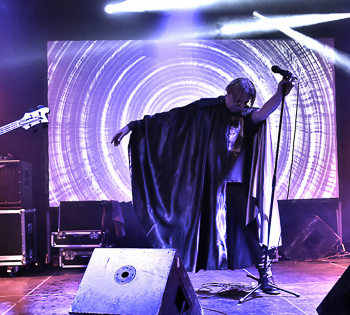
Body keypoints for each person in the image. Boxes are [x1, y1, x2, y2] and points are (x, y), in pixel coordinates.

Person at [112, 76, 295, 293]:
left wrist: (280, 93)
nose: (239, 105)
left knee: (250, 228)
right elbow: (169, 120)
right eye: (236, 100)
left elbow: (263, 113)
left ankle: (266, 275)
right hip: (206, 183)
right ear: (228, 93)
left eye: (244, 102)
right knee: (192, 226)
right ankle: (175, 279)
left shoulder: (246, 116)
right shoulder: (205, 110)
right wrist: (131, 127)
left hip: (236, 184)